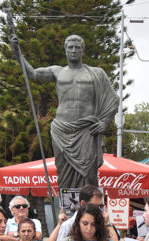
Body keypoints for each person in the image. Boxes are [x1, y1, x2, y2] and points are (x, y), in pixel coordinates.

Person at [9, 30, 118, 189]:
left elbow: (113, 99)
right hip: (61, 129)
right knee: (64, 174)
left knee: (89, 173)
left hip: (86, 130)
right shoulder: (57, 71)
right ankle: (67, 208)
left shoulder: (96, 73)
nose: (73, 50)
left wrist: (105, 122)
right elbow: (32, 73)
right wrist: (17, 52)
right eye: (70, 47)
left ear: (83, 50)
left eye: (77, 47)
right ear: (65, 50)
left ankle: (89, 209)